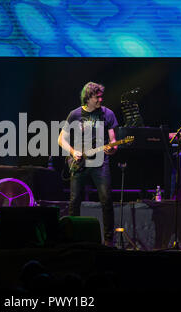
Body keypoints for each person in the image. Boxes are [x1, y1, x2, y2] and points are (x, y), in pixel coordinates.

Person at [58, 82, 118, 246]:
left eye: (101, 96)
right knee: (74, 200)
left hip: (101, 163)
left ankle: (108, 240)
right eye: (97, 97)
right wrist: (72, 151)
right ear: (88, 98)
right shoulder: (75, 114)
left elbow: (113, 141)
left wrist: (113, 148)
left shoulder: (108, 114)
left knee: (106, 200)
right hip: (79, 163)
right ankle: (73, 238)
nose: (100, 99)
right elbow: (60, 139)